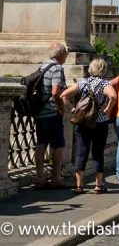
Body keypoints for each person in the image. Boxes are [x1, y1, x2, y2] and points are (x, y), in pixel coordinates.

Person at [60, 58, 117, 194]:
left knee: (81, 152)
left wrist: (73, 110)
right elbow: (113, 96)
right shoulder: (105, 84)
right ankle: (99, 185)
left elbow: (64, 95)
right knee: (98, 153)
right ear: (103, 70)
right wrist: (107, 109)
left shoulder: (83, 82)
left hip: (83, 121)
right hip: (100, 122)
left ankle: (79, 186)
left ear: (91, 69)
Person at [33, 43, 68, 188]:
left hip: (40, 112)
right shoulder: (57, 68)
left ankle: (40, 177)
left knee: (41, 144)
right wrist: (61, 108)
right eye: (65, 53)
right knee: (58, 146)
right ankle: (56, 178)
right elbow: (55, 92)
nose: (66, 56)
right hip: (52, 112)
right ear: (61, 55)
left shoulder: (42, 67)